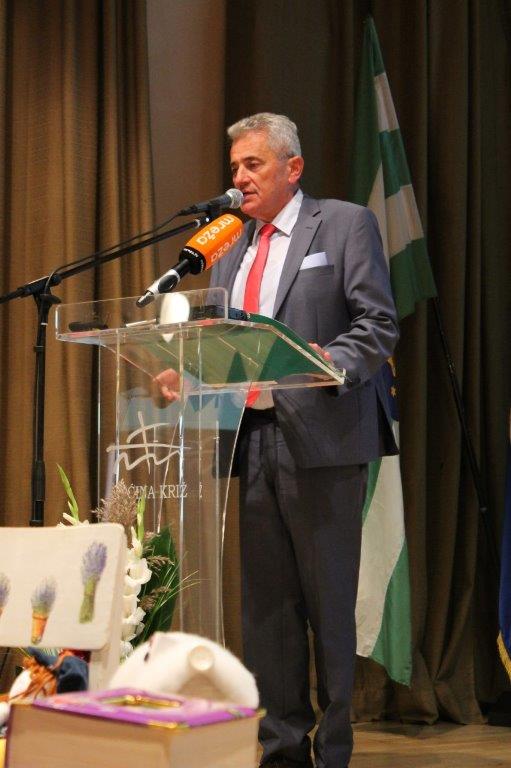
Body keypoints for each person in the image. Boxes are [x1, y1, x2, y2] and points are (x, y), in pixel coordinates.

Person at [159, 112, 399, 768]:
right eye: (234, 166)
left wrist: (327, 361)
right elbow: (227, 344)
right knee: (267, 611)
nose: (239, 177)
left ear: (293, 168)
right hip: (253, 437)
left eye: (252, 164)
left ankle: (333, 750)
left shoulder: (343, 224)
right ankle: (281, 749)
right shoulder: (231, 244)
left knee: (327, 604)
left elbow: (377, 323)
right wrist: (186, 372)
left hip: (323, 438)